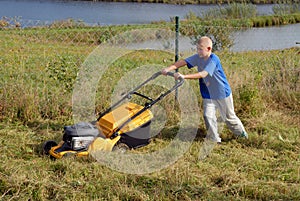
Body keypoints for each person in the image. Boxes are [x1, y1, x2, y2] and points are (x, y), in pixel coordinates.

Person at [161, 36, 248, 143]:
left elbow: (204, 74)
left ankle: (242, 135)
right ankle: (214, 138)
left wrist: (184, 76)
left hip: (221, 93)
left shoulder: (214, 60)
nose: (198, 51)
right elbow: (183, 61)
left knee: (229, 118)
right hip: (208, 94)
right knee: (208, 115)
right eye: (197, 49)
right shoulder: (198, 57)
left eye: (200, 49)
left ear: (209, 49)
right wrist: (168, 69)